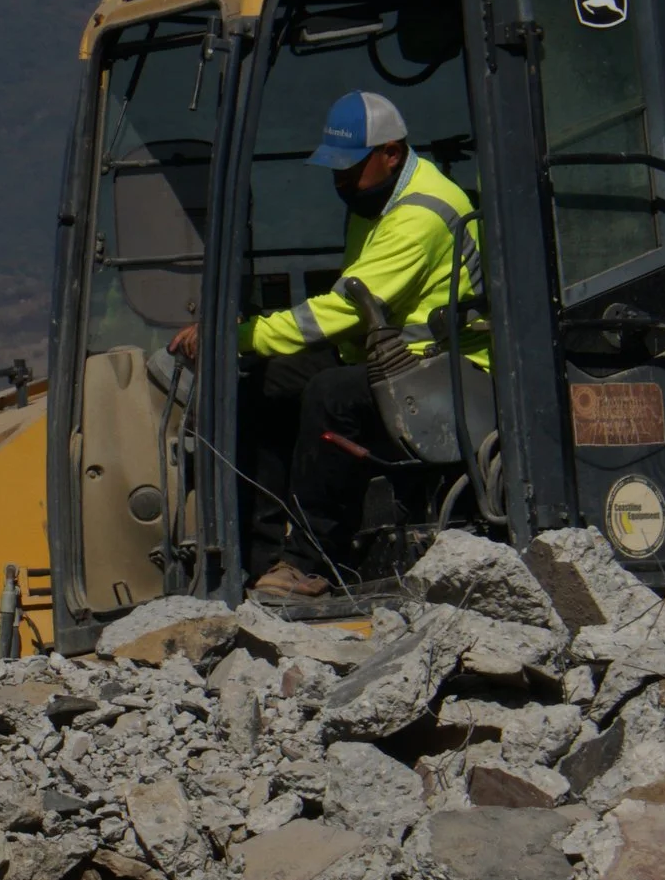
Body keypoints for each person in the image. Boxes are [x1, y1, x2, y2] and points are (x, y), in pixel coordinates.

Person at [169, 90, 485, 599]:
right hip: (394, 361)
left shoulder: (421, 213)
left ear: (392, 153)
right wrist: (253, 347)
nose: (340, 180)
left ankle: (314, 562)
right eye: (334, 169)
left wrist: (237, 336)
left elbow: (345, 306)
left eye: (351, 167)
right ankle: (261, 558)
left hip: (447, 371)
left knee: (331, 393)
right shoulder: (377, 202)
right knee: (270, 379)